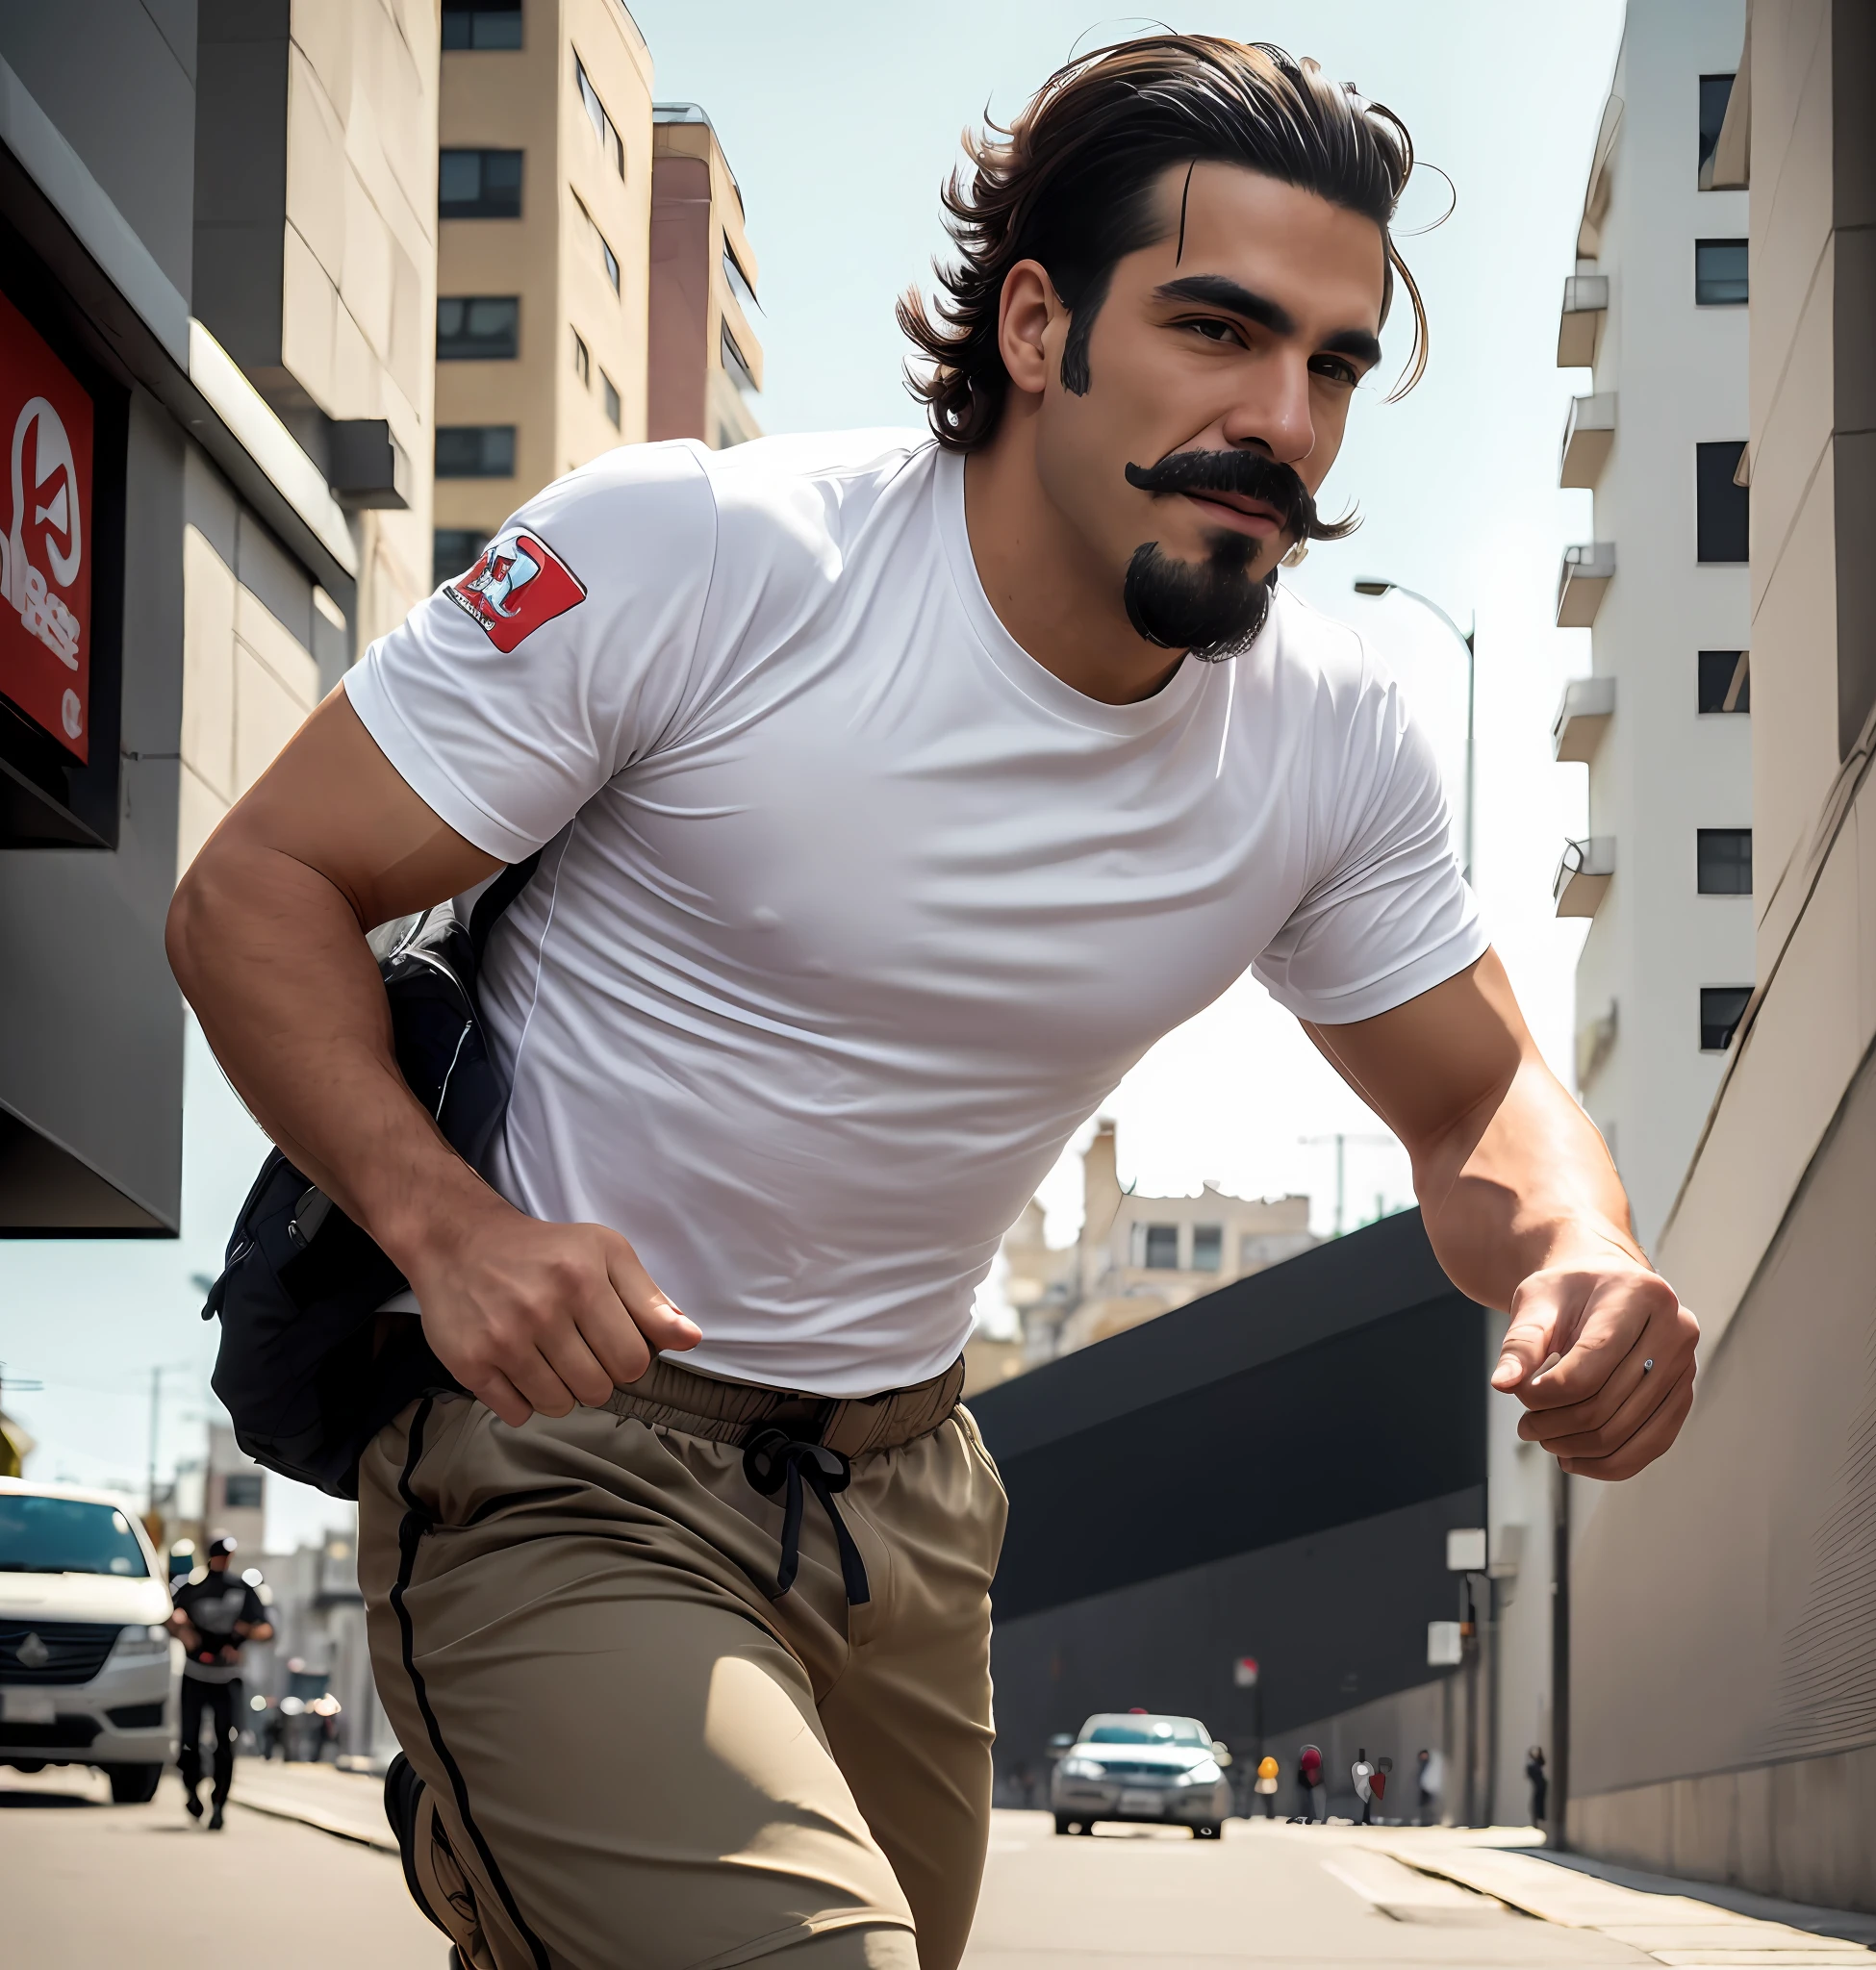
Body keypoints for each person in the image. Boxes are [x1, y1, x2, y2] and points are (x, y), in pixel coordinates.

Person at [166, 34, 1699, 1970]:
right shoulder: (705, 557)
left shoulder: (1327, 736)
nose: (1284, 418)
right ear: (1038, 325)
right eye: (1217, 331)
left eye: (1330, 364)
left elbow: (1475, 1096)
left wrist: (1575, 1241)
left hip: (908, 1505)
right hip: (559, 1462)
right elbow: (254, 890)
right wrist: (446, 1226)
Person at [168, 1536, 273, 1831]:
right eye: (220, 1554)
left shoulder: (242, 1589)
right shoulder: (191, 1588)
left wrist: (246, 1636)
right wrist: (180, 1629)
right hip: (195, 1674)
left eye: (228, 1555)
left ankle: (219, 1804)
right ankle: (191, 1791)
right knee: (189, 1742)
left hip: (228, 1677)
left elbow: (266, 1628)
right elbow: (169, 1617)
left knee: (225, 1743)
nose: (224, 1560)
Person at [1294, 1744, 1325, 1823]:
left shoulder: (1319, 1791)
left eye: (1314, 1772)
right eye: (1310, 1773)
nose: (1312, 1776)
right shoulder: (1302, 1786)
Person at [1417, 1746, 1443, 1825]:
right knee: (1425, 1805)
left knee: (1429, 1805)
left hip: (1430, 1787)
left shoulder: (1431, 1764)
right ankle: (1426, 1821)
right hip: (1425, 1787)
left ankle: (1430, 1820)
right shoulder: (1424, 1764)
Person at [1527, 1746, 1550, 1830]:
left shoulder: (1536, 1764)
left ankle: (1539, 1821)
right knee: (1536, 1805)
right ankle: (1537, 1821)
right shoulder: (1531, 1765)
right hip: (1538, 1786)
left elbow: (1542, 1761)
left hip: (1541, 1786)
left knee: (1539, 1805)